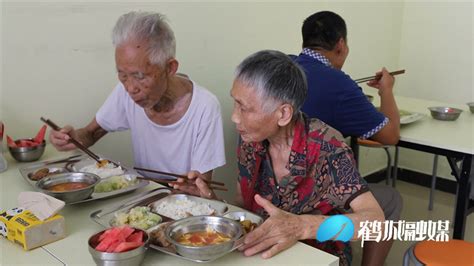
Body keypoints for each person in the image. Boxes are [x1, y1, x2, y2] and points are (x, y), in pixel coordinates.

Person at [174, 50, 384, 265]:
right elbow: (244, 208)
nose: (234, 116)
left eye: (244, 108)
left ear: (283, 114)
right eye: (235, 103)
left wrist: (301, 226)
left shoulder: (328, 148)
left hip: (316, 257)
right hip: (262, 250)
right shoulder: (251, 140)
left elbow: (376, 223)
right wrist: (209, 202)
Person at [49, 11, 225, 180]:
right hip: (143, 197)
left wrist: (190, 189)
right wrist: (72, 138)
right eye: (122, 76)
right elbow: (91, 133)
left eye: (140, 76)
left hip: (182, 203)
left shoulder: (204, 106)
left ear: (170, 68)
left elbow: (201, 186)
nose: (131, 88)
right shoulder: (125, 91)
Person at [293, 11, 402, 266]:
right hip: (311, 194)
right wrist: (386, 89)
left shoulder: (284, 66)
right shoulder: (339, 84)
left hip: (277, 186)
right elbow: (391, 136)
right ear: (341, 45)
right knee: (391, 200)